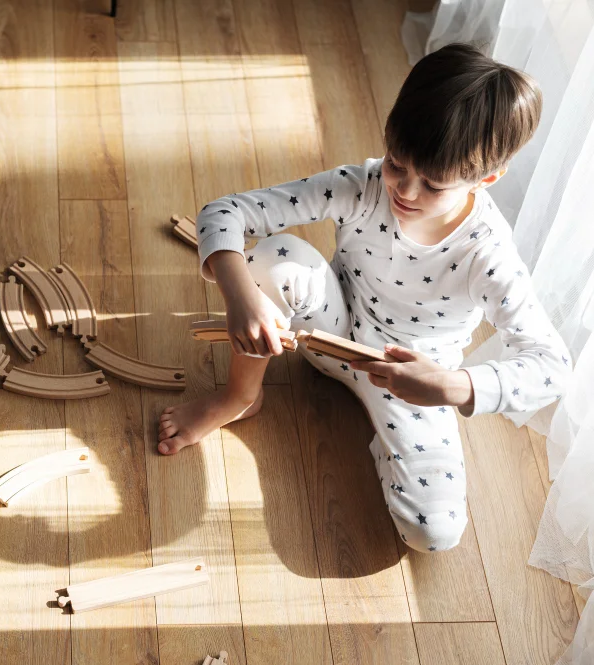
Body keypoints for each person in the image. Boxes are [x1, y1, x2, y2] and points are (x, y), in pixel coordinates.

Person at [157, 42, 574, 553]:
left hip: (413, 380)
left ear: (485, 180)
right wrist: (239, 292)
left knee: (436, 533)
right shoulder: (364, 185)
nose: (406, 191)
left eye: (434, 185)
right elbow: (225, 212)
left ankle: (388, 435)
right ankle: (240, 397)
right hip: (325, 331)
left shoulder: (488, 253)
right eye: (398, 164)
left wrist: (452, 385)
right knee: (275, 258)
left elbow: (553, 366)